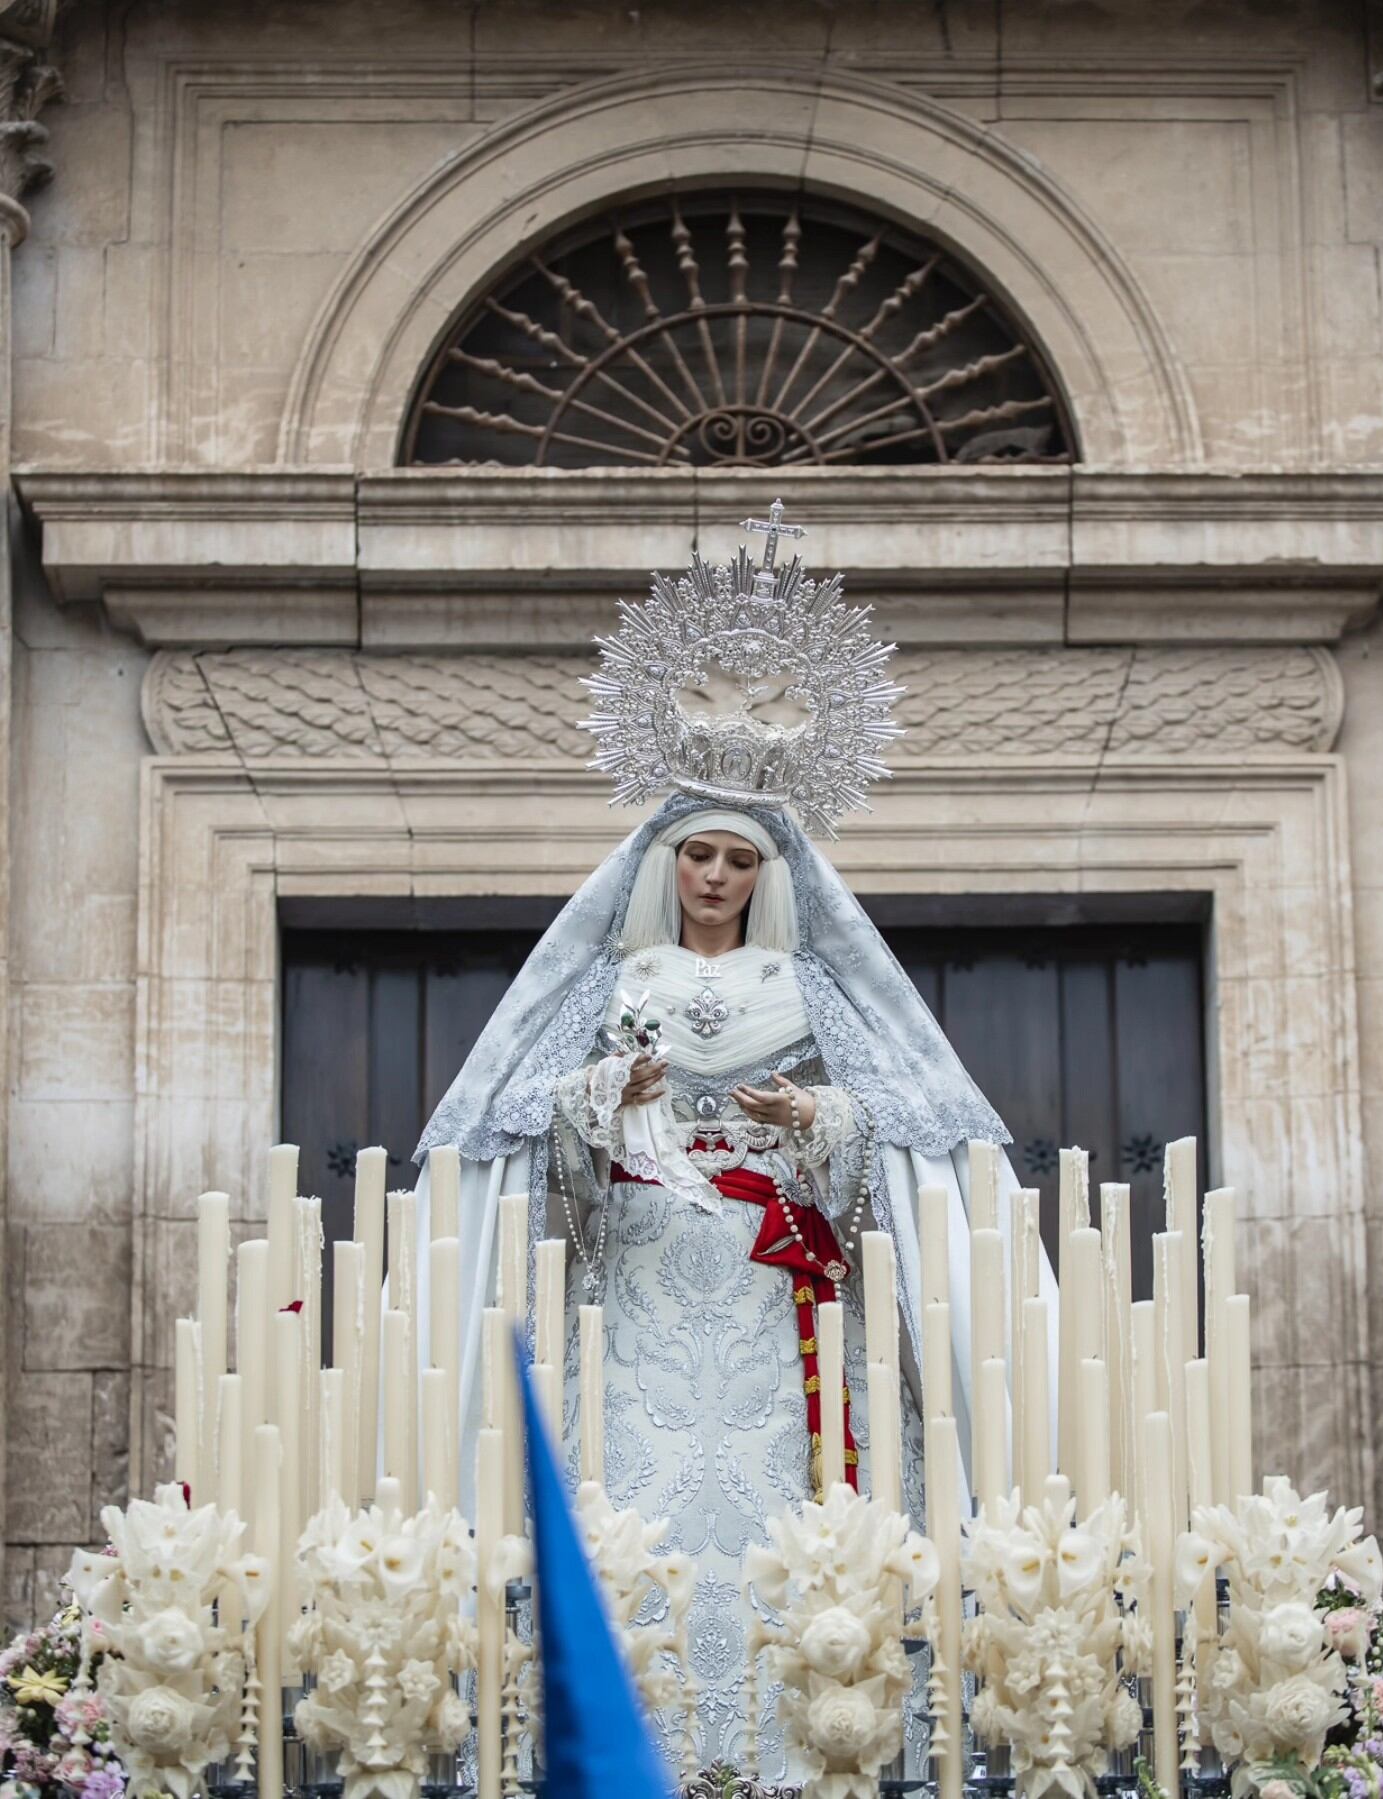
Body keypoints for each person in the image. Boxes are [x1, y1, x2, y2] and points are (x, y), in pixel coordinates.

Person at [410, 504, 1058, 1773]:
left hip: (778, 1292)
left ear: (769, 873)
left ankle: (803, 1748)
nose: (714, 875)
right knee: (632, 1498)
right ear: (667, 861)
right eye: (697, 853)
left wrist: (812, 1117)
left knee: (787, 1512)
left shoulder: (811, 988)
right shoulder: (609, 980)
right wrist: (607, 1098)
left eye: (737, 859)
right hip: (640, 1287)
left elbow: (885, 1131)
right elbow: (538, 1132)